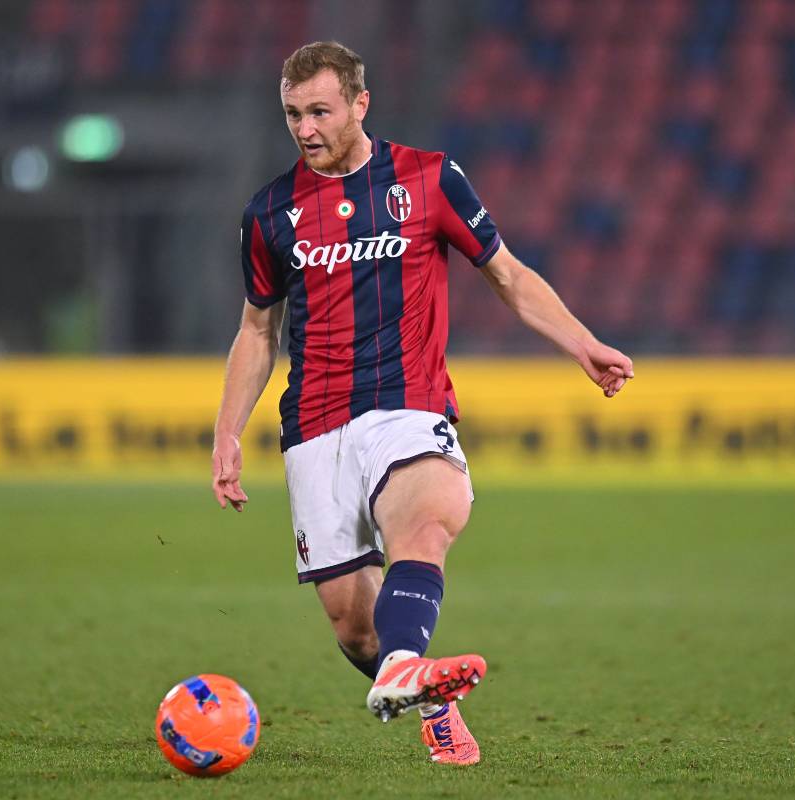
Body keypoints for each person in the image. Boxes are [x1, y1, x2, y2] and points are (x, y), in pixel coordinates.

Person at [211, 41, 634, 766]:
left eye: (320, 111)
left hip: (407, 403)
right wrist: (227, 433)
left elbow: (508, 275)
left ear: (360, 103)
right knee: (355, 629)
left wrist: (582, 342)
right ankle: (425, 694)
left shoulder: (428, 179)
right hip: (314, 425)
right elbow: (257, 331)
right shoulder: (270, 213)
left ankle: (405, 666)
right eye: (293, 114)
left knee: (428, 517)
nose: (305, 129)